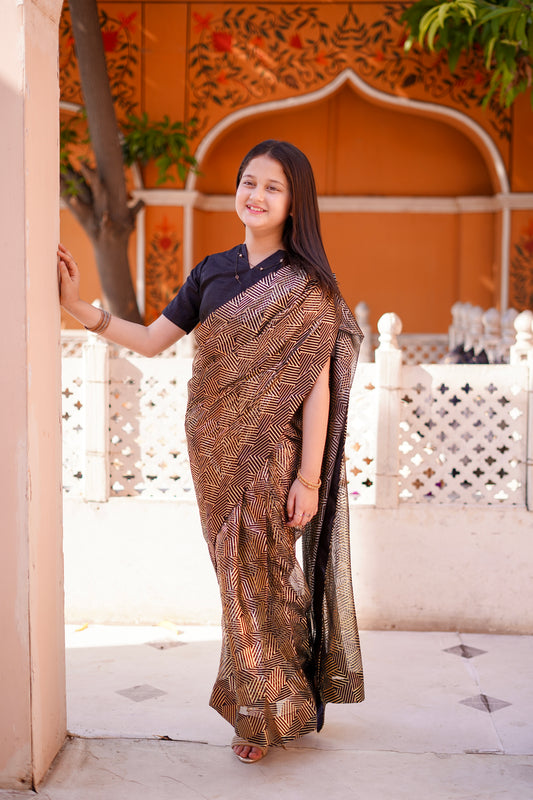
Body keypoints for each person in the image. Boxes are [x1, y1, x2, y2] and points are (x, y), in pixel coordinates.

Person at [58, 139, 365, 764]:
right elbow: (148, 340)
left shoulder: (309, 288)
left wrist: (308, 480)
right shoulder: (211, 271)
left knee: (258, 578)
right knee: (241, 579)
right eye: (248, 182)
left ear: (294, 202)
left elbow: (313, 391)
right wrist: (75, 307)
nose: (254, 195)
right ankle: (283, 699)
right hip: (212, 451)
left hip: (272, 457)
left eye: (271, 187)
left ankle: (258, 714)